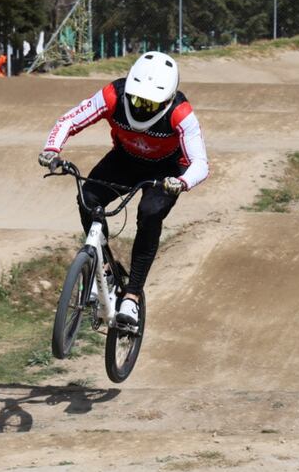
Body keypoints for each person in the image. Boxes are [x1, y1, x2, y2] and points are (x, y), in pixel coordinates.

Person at [38, 51, 209, 327]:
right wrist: (51, 149)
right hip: (125, 160)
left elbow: (200, 162)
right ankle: (104, 269)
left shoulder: (181, 113)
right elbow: (70, 119)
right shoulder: (112, 95)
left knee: (150, 212)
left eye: (151, 104)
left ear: (167, 100)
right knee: (88, 196)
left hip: (165, 173)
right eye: (137, 99)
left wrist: (183, 182)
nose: (142, 108)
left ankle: (132, 296)